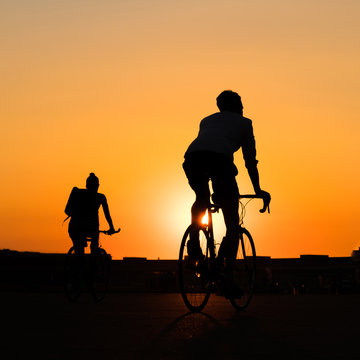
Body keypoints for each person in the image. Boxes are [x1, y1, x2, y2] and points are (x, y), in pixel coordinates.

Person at [183, 90, 270, 296]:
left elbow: (208, 144)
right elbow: (250, 161)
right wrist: (258, 190)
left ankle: (194, 241)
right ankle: (227, 281)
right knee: (232, 225)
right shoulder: (245, 123)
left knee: (201, 197)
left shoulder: (206, 120)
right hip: (220, 163)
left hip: (193, 158)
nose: (243, 107)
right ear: (236, 105)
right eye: (241, 103)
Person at [65, 173, 117, 255]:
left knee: (79, 250)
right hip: (90, 228)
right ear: (98, 186)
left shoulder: (78, 193)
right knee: (94, 248)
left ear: (86, 185)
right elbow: (107, 214)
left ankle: (79, 264)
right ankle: (92, 263)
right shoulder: (100, 197)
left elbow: (67, 211)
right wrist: (111, 228)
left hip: (74, 227)